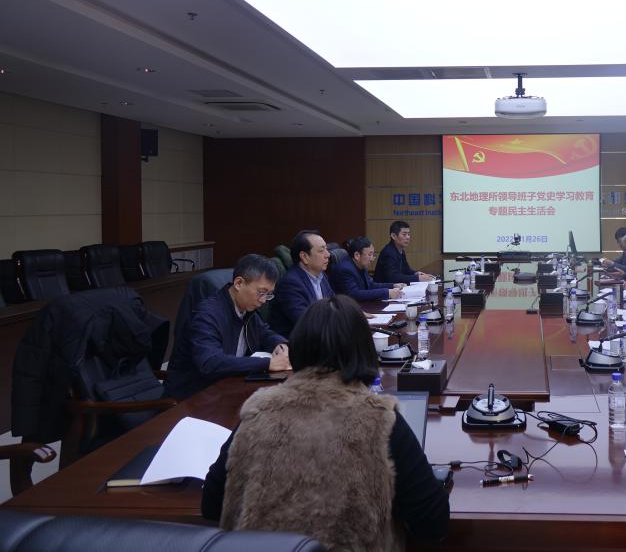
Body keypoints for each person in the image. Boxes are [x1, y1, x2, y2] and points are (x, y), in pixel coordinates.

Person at [202, 295, 450, 548]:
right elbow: (432, 524)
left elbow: (211, 504)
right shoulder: (379, 418)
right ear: (364, 351)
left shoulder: (259, 410)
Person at [165, 255, 289, 400]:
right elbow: (210, 362)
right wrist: (267, 363)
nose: (263, 300)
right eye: (261, 292)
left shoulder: (247, 309)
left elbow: (265, 333)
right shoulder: (207, 314)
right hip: (193, 396)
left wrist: (281, 345)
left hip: (226, 387)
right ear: (239, 283)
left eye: (268, 295)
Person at [270, 229, 334, 337]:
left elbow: (334, 304)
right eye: (321, 250)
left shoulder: (322, 276)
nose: (328, 254)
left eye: (327, 249)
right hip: (296, 341)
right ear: (304, 257)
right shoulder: (290, 284)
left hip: (321, 335)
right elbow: (306, 322)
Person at [331, 236, 405, 302]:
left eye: (373, 254)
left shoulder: (361, 265)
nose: (372, 259)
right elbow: (355, 294)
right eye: (370, 254)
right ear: (357, 255)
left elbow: (370, 285)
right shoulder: (345, 270)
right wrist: (387, 293)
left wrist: (392, 286)